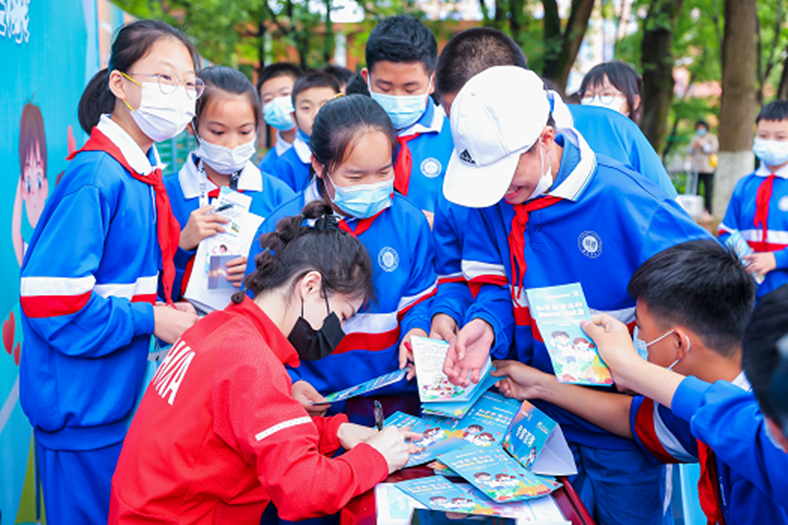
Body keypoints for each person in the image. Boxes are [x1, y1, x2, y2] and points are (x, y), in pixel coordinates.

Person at [440, 67, 711, 525]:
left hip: (623, 433)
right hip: (535, 420)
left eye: (509, 175)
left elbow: (707, 299)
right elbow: (492, 286)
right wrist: (485, 326)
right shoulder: (493, 202)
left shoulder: (627, 200)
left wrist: (648, 367)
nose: (504, 192)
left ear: (546, 138)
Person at [109, 201, 419, 524]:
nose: (338, 331)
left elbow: (250, 429)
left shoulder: (223, 327)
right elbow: (304, 490)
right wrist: (377, 458)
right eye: (342, 316)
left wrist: (336, 430)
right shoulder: (251, 360)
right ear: (310, 285)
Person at [18, 20, 202, 525]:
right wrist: (151, 320)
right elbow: (51, 302)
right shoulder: (98, 176)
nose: (181, 94)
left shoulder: (135, 172)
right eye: (164, 78)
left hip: (111, 405)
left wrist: (163, 310)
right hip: (82, 414)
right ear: (119, 84)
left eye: (189, 83)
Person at [494, 239, 788, 524]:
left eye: (641, 331)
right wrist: (540, 385)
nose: (637, 341)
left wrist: (631, 368)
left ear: (678, 344)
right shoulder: (709, 408)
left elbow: (726, 418)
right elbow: (633, 417)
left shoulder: (768, 441)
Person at [429, 27, 677, 346]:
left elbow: (684, 264)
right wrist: (484, 322)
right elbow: (486, 282)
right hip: (530, 369)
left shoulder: (614, 156)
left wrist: (648, 359)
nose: (462, 130)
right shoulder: (477, 175)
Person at [246, 94, 436, 412]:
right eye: (355, 177)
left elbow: (418, 298)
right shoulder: (282, 229)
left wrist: (416, 330)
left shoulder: (409, 221)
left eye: (383, 172)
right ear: (319, 165)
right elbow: (259, 325)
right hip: (313, 403)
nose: (372, 185)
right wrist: (290, 381)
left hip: (395, 399)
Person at [165, 66, 294, 307]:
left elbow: (303, 275)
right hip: (188, 335)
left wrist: (265, 267)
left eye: (245, 131)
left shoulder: (280, 196)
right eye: (218, 131)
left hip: (258, 333)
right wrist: (182, 246)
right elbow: (154, 290)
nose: (232, 144)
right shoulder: (166, 195)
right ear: (191, 126)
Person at [361, 15, 454, 221]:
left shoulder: (457, 139)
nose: (397, 98)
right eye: (384, 88)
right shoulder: (349, 138)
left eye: (410, 89)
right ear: (367, 79)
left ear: (432, 82)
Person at [719, 100, 788, 300]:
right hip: (747, 292)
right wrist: (744, 258)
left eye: (781, 137)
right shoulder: (744, 185)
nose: (771, 142)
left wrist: (776, 259)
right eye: (763, 136)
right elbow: (726, 232)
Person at [269, 71, 339, 193]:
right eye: (306, 108)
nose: (316, 115)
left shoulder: (352, 155)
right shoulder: (285, 167)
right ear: (293, 116)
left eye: (325, 105)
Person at [257, 62, 303, 175]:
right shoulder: (265, 167)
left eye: (285, 93)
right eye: (268, 99)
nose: (276, 103)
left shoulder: (326, 151)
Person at [689, 119, 719, 214]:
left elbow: (714, 150)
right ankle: (696, 211)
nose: (700, 130)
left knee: (708, 191)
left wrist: (704, 145)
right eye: (698, 128)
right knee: (695, 190)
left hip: (707, 168)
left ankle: (708, 210)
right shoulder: (694, 139)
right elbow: (690, 152)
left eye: (702, 128)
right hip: (696, 168)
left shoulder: (711, 138)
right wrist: (693, 147)